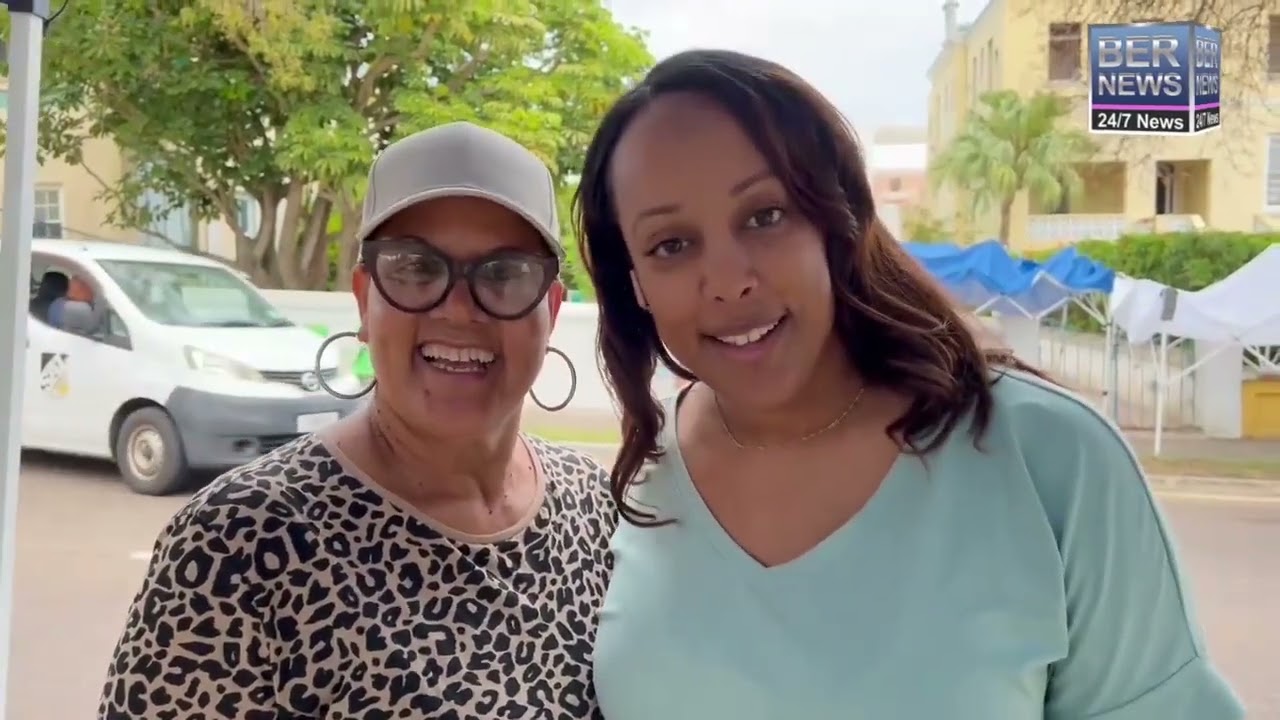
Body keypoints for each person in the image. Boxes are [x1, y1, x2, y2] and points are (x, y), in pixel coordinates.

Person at [573, 50, 1244, 719]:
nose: (728, 280)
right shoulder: (642, 478)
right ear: (636, 287)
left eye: (765, 215)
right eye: (670, 245)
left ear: (835, 221)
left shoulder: (1052, 462)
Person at [99, 122, 615, 719]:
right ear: (363, 301)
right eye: (415, 269)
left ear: (550, 310)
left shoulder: (594, 506)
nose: (457, 308)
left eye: (503, 275)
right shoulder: (238, 543)